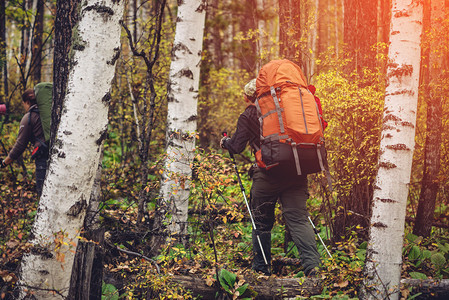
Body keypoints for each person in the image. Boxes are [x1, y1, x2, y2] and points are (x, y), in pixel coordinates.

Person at [220, 79, 321, 277]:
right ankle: (313, 267)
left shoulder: (250, 113)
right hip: (297, 173)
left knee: (261, 223)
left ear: (250, 97)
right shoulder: (288, 111)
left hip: (267, 176)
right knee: (299, 220)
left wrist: (225, 142)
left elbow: (237, 146)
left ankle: (261, 270)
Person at [1, 89, 48, 197]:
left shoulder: (29, 117)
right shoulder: (49, 113)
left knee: (43, 194)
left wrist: (5, 162)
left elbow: (20, 145)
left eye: (23, 104)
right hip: (57, 154)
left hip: (42, 159)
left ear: (27, 102)